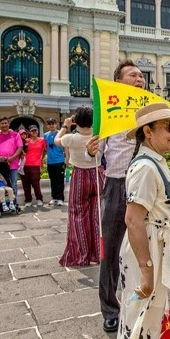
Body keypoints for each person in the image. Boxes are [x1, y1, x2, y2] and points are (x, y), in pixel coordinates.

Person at [89, 60, 170, 333]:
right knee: (111, 249)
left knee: (148, 246)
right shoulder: (110, 112)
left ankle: (143, 299)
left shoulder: (150, 111)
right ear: (119, 81)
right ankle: (110, 308)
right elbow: (96, 153)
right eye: (132, 75)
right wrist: (90, 150)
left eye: (140, 76)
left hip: (147, 184)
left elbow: (167, 144)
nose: (139, 79)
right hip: (117, 184)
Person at [116, 103, 170, 339]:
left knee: (147, 334)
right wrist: (146, 271)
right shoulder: (145, 167)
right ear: (148, 131)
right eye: (169, 127)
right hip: (145, 253)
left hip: (155, 248)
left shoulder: (155, 162)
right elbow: (133, 220)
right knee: (137, 333)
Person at [57, 108, 102, 267]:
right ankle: (99, 252)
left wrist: (65, 125)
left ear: (76, 121)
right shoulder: (99, 136)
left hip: (80, 176)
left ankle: (81, 255)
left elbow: (56, 140)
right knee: (98, 216)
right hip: (97, 174)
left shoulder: (71, 138)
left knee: (78, 215)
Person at [0, 117, 24, 197]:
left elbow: (20, 147)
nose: (4, 125)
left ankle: (13, 202)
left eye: (6, 123)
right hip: (0, 165)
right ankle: (3, 203)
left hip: (13, 164)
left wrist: (12, 157)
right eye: (2, 123)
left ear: (8, 124)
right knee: (2, 184)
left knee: (13, 183)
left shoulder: (15, 135)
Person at [20, 125, 46, 208]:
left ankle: (39, 199)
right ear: (29, 132)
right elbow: (20, 150)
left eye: (36, 130)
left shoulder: (42, 140)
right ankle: (28, 200)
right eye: (32, 131)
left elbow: (45, 150)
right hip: (25, 165)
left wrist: (41, 158)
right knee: (26, 184)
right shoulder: (26, 141)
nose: (34, 132)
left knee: (36, 183)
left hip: (35, 164)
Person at [44, 118, 68, 206]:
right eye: (49, 124)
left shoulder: (60, 134)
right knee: (52, 181)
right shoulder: (46, 135)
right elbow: (45, 147)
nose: (51, 125)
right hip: (50, 162)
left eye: (53, 123)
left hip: (60, 160)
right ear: (47, 125)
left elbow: (66, 147)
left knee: (60, 181)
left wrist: (67, 159)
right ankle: (54, 198)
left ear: (56, 124)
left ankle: (61, 198)